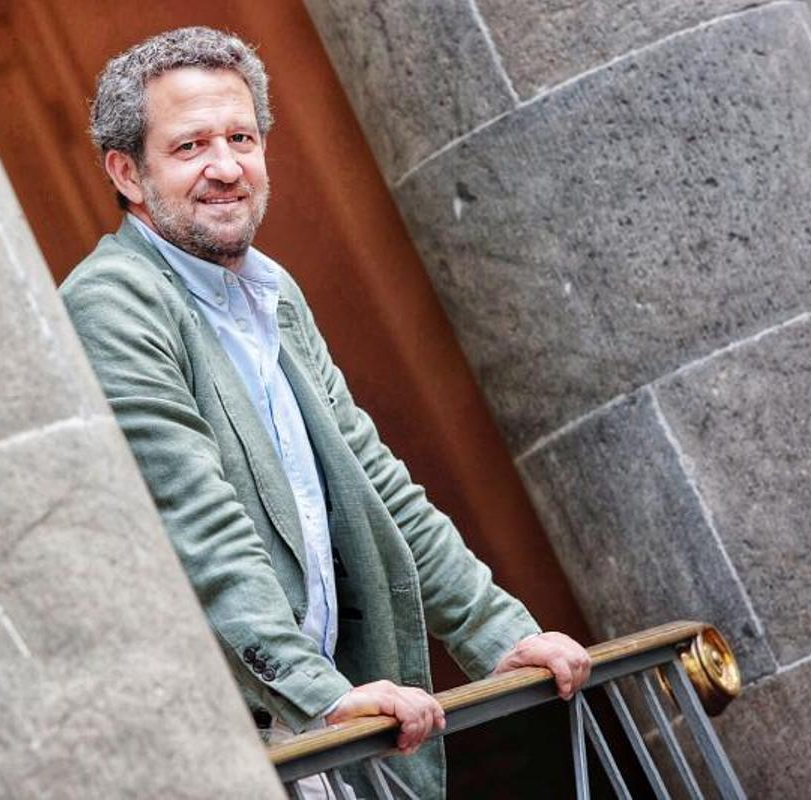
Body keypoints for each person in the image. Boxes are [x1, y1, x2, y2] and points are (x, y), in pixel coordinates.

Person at [59, 26, 590, 798]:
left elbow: (378, 485)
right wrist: (322, 696)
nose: (226, 167)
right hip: (242, 748)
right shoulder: (113, 303)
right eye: (190, 146)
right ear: (127, 172)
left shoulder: (271, 291)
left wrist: (500, 636)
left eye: (242, 138)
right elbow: (196, 525)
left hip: (326, 736)